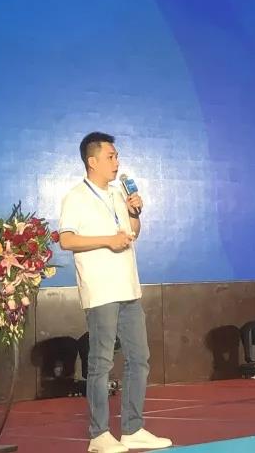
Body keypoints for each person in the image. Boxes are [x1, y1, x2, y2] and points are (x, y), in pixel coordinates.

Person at [59, 132, 173, 453]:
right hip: (101, 290)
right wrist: (107, 241)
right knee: (101, 362)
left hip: (128, 287)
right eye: (111, 156)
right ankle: (99, 434)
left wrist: (134, 212)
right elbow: (66, 239)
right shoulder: (76, 197)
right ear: (92, 161)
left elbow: (132, 232)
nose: (116, 162)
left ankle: (132, 429)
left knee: (139, 358)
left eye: (117, 156)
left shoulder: (118, 193)